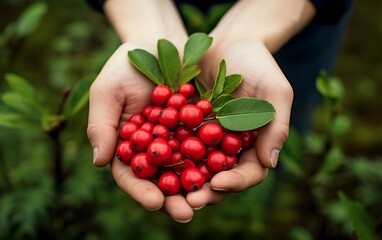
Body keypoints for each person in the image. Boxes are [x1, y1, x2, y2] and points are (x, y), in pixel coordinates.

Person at [85, 0, 352, 223]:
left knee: (280, 121)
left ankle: (264, 207)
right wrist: (145, 28)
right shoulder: (168, 137)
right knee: (265, 130)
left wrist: (250, 33)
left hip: (300, 20)